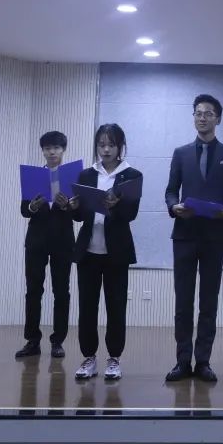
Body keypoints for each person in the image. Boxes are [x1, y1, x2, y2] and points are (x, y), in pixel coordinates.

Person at [164, 94, 223, 383]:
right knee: (183, 302)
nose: (202, 118)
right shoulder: (180, 153)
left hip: (214, 236)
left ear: (218, 118)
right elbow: (171, 190)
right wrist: (173, 206)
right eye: (198, 113)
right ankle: (182, 361)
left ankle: (204, 361)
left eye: (208, 113)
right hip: (184, 235)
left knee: (209, 302)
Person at [70, 123, 142, 381]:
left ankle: (114, 359)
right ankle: (89, 358)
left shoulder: (132, 175)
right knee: (87, 307)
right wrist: (74, 207)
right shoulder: (87, 174)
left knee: (116, 307)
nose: (106, 149)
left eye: (111, 144)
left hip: (117, 252)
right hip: (88, 251)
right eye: (101, 144)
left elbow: (131, 214)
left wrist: (115, 206)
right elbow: (80, 215)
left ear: (120, 146)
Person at [15, 131, 76, 359]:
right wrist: (33, 205)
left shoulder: (72, 177)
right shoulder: (33, 176)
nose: (52, 152)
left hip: (63, 241)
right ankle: (32, 340)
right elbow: (24, 210)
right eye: (48, 148)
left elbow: (79, 214)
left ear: (63, 150)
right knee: (33, 291)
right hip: (36, 241)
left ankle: (58, 341)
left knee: (61, 292)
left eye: (56, 148)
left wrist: (67, 205)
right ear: (42, 151)